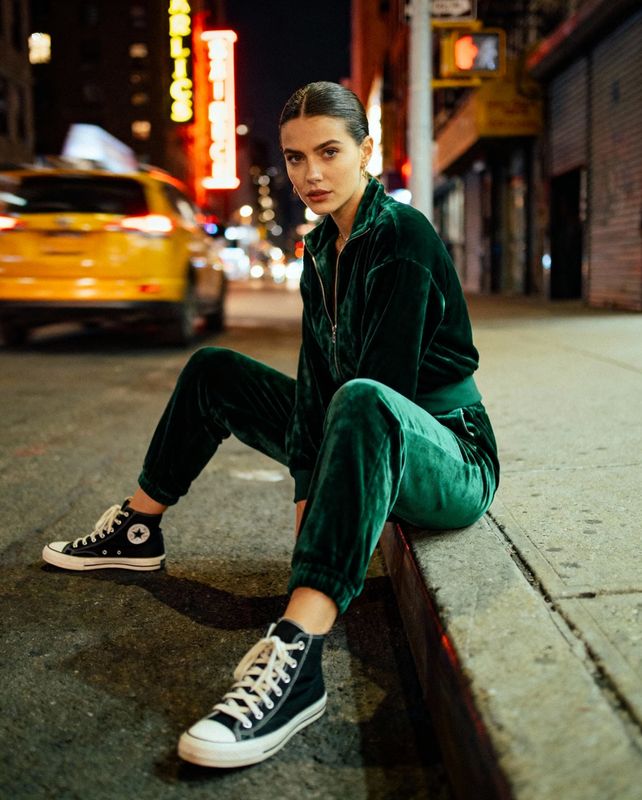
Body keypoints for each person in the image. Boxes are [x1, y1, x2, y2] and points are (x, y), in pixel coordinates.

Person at [42, 81, 499, 769]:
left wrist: (326, 508)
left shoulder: (402, 237)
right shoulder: (321, 249)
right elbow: (316, 385)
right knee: (216, 370)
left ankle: (298, 654)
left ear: (365, 152)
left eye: (329, 152)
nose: (311, 174)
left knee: (363, 398)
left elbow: (383, 392)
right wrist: (306, 492)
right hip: (362, 420)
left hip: (449, 451)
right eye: (294, 158)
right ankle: (138, 528)